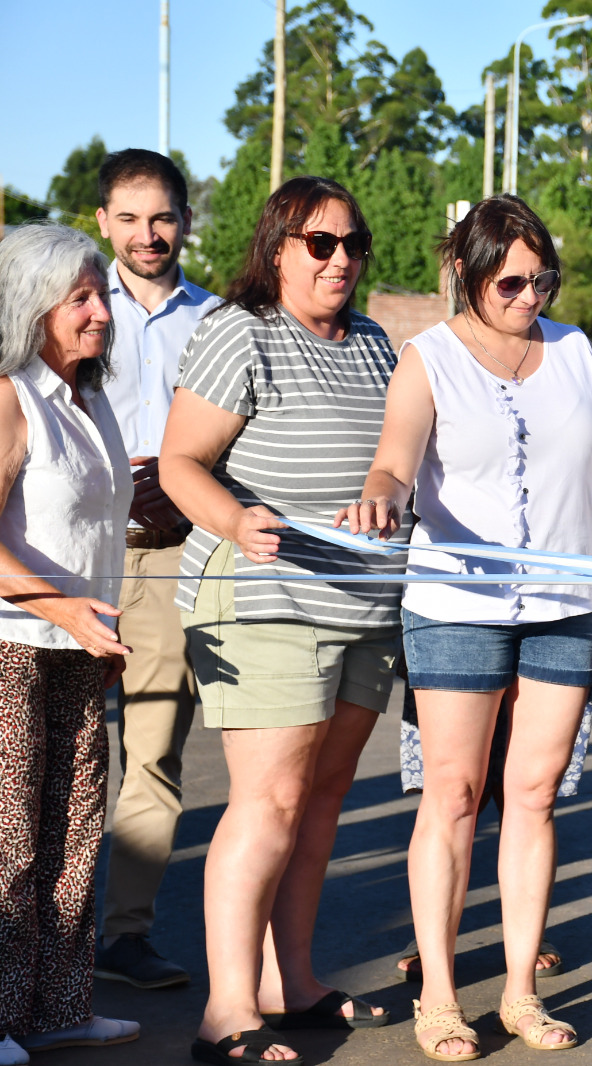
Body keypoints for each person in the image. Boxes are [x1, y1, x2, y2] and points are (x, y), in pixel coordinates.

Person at [338, 194, 592, 1058]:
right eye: (512, 279)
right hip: (455, 607)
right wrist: (381, 500)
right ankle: (438, 994)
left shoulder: (577, 351)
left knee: (536, 797)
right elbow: (394, 463)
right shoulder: (428, 357)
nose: (531, 294)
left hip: (568, 608)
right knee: (454, 796)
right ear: (468, 274)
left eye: (545, 277)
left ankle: (518, 993)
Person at [161, 176, 404, 1065]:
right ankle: (228, 1012)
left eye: (352, 244)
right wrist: (233, 519)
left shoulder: (376, 342)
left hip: (365, 607)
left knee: (321, 804)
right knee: (267, 804)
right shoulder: (239, 331)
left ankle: (289, 983)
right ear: (277, 248)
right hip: (262, 601)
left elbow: (398, 460)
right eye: (319, 243)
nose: (340, 259)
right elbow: (183, 461)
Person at [0, 224, 139, 1062]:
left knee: (76, 829)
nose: (98, 313)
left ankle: (55, 1009)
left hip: (83, 646)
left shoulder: (89, 400)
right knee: (8, 838)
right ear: (32, 307)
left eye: (100, 296)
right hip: (17, 645)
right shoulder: (11, 397)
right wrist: (63, 610)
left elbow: (85, 513)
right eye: (79, 298)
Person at [92, 147, 221, 991]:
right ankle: (34, 938)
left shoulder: (217, 319)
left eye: (163, 217)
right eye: (130, 218)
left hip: (166, 560)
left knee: (151, 753)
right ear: (102, 221)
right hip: (62, 559)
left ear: (185, 219)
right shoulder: (59, 305)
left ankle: (122, 935)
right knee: (38, 757)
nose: (148, 234)